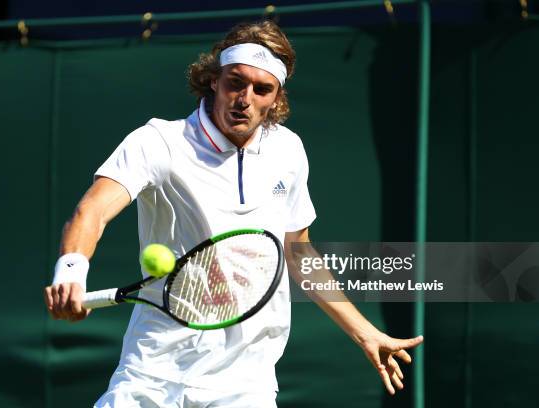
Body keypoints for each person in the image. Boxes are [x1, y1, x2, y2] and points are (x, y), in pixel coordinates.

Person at [43, 20, 423, 408]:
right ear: (213, 80)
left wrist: (363, 332)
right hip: (154, 369)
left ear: (276, 98)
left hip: (246, 379)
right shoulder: (159, 142)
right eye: (235, 82)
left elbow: (298, 253)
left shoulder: (288, 151)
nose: (245, 98)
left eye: (262, 89)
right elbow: (92, 209)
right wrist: (70, 272)